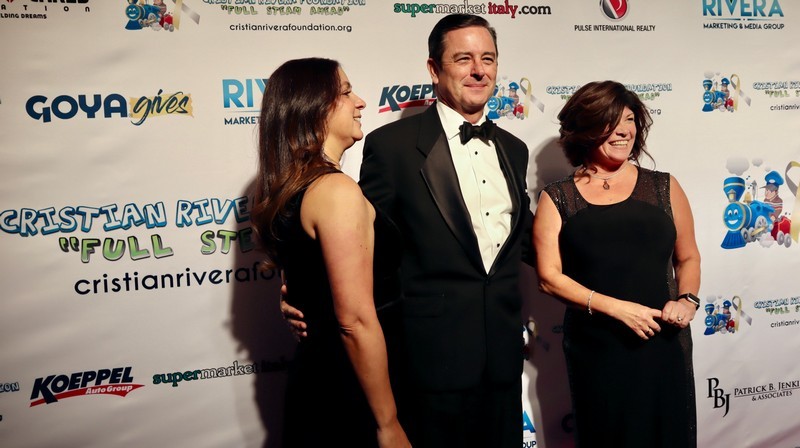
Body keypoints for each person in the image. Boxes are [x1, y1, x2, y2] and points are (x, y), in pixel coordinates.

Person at [283, 13, 533, 447]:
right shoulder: (391, 146)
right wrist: (299, 293)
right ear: (434, 69)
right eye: (463, 59)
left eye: (488, 58)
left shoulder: (515, 149)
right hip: (427, 367)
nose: (479, 70)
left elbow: (526, 241)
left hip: (505, 364)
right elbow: (361, 245)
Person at [250, 58, 410, 448]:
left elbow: (306, 278)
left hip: (325, 379)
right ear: (314, 107)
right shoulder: (336, 192)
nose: (361, 101)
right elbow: (355, 320)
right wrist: (388, 423)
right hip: (352, 390)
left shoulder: (293, 188)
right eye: (346, 92)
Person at [533, 80, 701, 447]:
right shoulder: (558, 197)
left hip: (663, 342)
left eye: (629, 119)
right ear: (586, 128)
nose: (624, 130)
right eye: (611, 121)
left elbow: (688, 256)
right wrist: (618, 309)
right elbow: (549, 277)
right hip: (599, 349)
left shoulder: (663, 186)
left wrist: (687, 300)